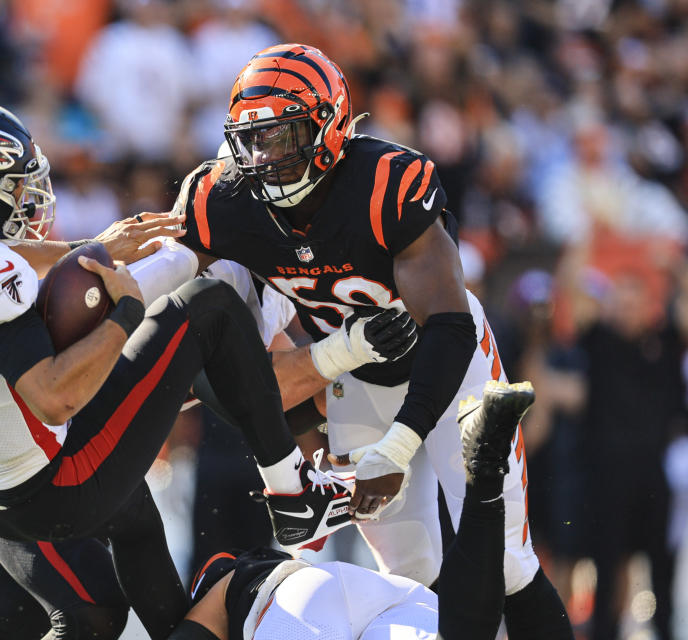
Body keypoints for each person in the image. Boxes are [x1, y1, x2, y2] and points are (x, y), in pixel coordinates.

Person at [0, 99, 362, 640]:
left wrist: (85, 249)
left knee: (38, 606)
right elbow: (54, 396)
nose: (27, 200)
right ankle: (292, 492)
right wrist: (127, 314)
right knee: (207, 308)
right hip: (46, 478)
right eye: (13, 187)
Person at [169, 44, 573, 638]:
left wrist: (401, 443)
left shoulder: (386, 180)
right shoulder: (223, 201)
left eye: (282, 139)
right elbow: (208, 363)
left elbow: (451, 326)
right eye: (253, 141)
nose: (265, 159)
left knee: (509, 561)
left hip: (449, 364)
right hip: (358, 377)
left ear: (329, 128)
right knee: (407, 578)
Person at [168, 380, 536, 640]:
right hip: (362, 599)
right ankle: (485, 482)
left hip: (302, 607)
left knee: (465, 623)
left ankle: (484, 486)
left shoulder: (223, 592)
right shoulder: (230, 587)